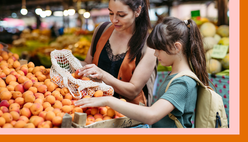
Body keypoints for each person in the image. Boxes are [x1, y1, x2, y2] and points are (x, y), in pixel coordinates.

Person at [75, 17, 210, 128]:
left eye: (159, 49)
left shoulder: (184, 82)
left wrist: (108, 100)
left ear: (176, 47)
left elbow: (151, 115)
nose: (155, 54)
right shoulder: (175, 75)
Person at [78, 0, 157, 106]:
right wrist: (69, 60)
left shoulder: (149, 45)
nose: (114, 20)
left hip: (130, 118)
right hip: (96, 109)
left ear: (137, 11)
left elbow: (133, 90)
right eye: (110, 13)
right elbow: (88, 64)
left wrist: (103, 75)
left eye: (121, 15)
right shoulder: (101, 30)